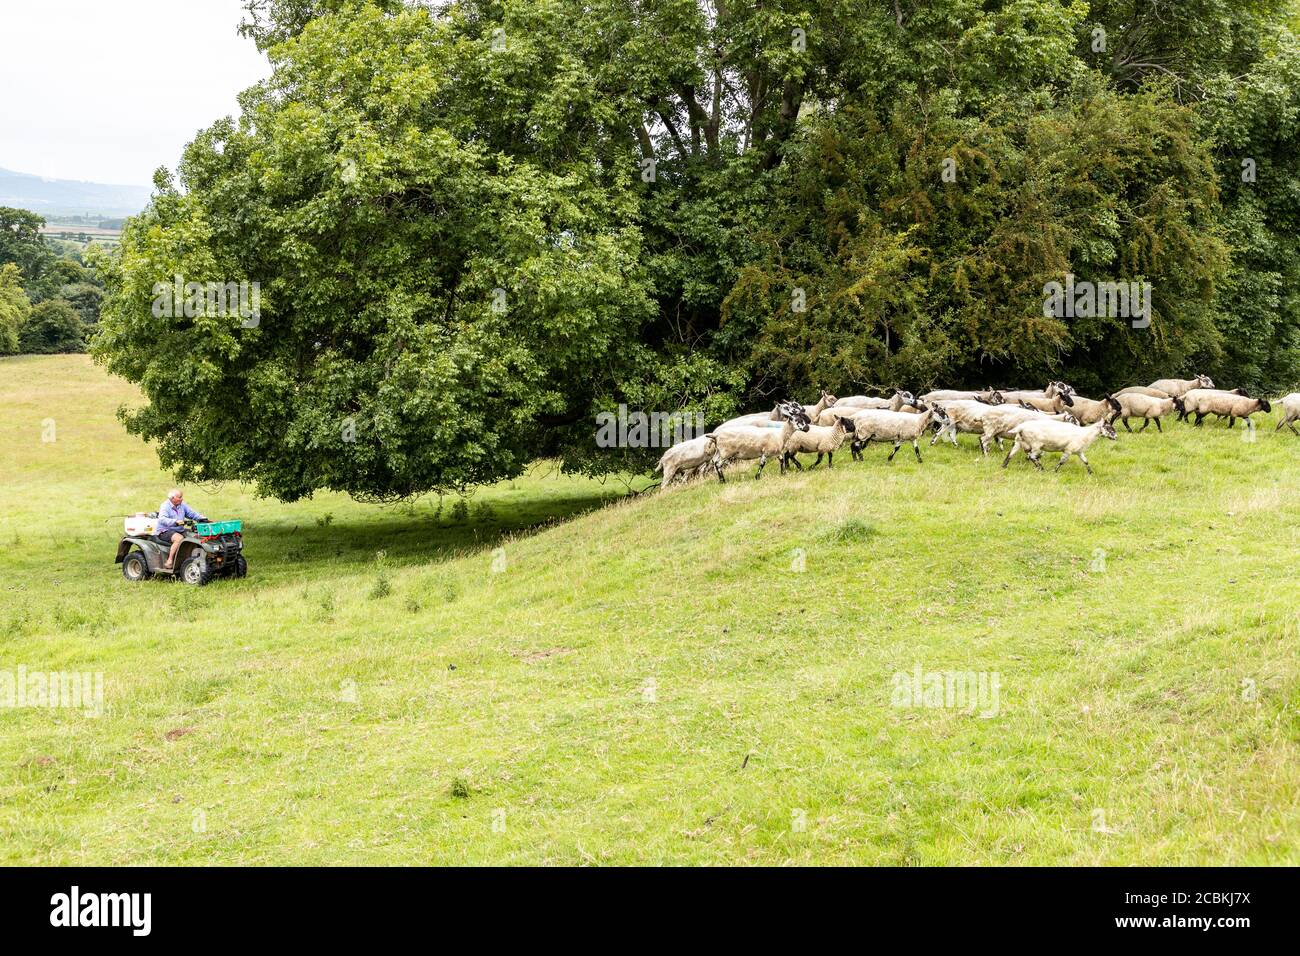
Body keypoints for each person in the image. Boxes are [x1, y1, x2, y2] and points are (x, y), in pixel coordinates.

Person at [156, 488, 207, 572]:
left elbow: (191, 513)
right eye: (179, 497)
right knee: (179, 539)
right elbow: (162, 519)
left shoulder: (182, 505)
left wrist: (202, 518)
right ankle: (169, 560)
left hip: (179, 529)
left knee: (195, 536)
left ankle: (194, 557)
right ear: (172, 498)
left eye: (181, 497)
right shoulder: (165, 506)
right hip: (165, 530)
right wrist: (175, 522)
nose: (182, 499)